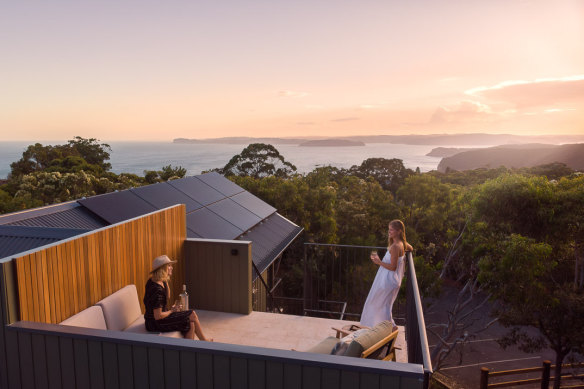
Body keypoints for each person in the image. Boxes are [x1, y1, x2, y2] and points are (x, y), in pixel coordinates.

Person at [143, 255, 212, 341]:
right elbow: (158, 316)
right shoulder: (156, 289)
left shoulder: (157, 281)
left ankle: (187, 349)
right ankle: (204, 340)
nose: (171, 268)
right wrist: (172, 311)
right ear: (162, 269)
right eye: (169, 266)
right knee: (192, 314)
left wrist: (165, 280)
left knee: (191, 323)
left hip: (158, 319)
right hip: (154, 323)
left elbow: (167, 296)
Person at [360, 220, 413, 329]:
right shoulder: (402, 244)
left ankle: (391, 328)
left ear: (398, 231)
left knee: (379, 305)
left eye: (391, 230)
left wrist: (378, 262)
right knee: (383, 305)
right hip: (391, 280)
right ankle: (385, 328)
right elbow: (411, 248)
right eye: (389, 229)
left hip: (387, 280)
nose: (389, 232)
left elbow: (393, 267)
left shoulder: (395, 247)